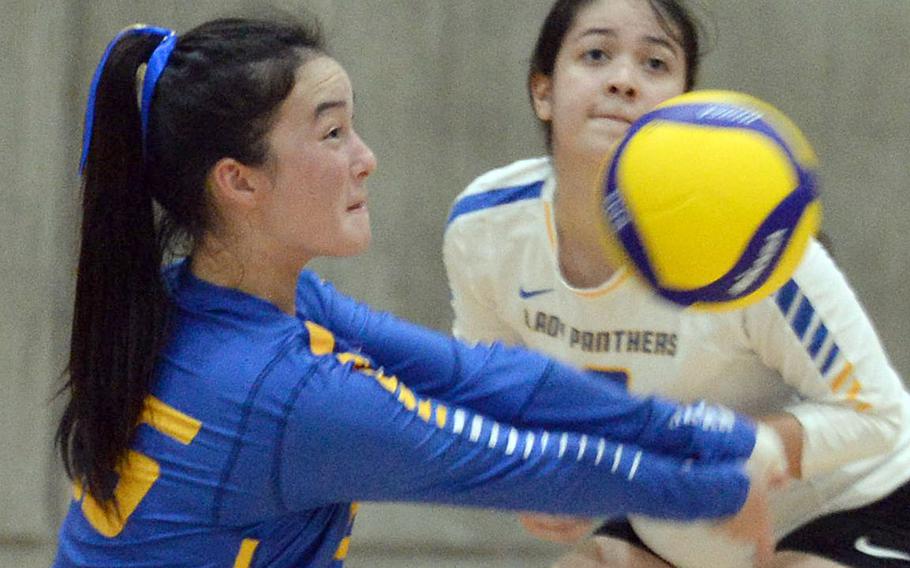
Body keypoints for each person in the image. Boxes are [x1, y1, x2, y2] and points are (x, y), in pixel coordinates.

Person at [52, 16, 782, 568]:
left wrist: (705, 434)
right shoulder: (282, 395)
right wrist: (719, 487)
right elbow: (518, 460)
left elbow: (483, 380)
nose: (365, 159)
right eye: (333, 133)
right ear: (239, 180)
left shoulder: (224, 301)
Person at [443, 0, 910, 566]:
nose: (623, 81)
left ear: (685, 108)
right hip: (680, 518)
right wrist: (536, 471)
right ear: (543, 91)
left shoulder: (748, 234)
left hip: (852, 501)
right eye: (596, 55)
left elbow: (879, 416)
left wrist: (747, 453)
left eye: (655, 65)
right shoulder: (487, 228)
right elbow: (495, 391)